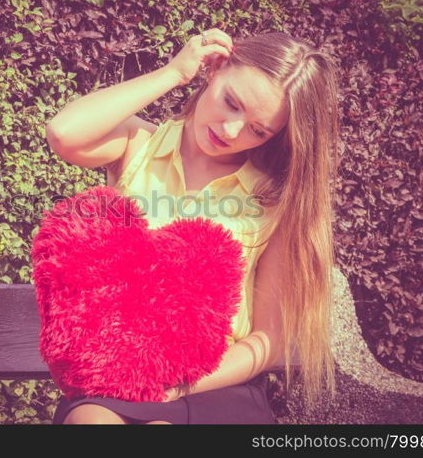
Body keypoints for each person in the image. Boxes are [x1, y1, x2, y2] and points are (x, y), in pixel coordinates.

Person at [45, 28, 341, 424]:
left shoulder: (273, 201)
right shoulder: (138, 144)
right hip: (117, 377)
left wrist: (181, 387)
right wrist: (173, 73)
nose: (232, 131)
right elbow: (64, 133)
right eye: (231, 102)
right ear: (216, 68)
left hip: (219, 386)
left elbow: (267, 339)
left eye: (258, 129)